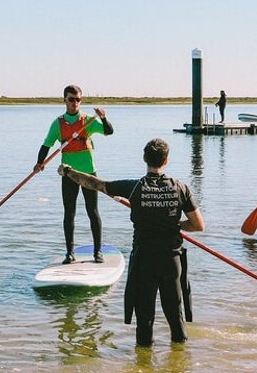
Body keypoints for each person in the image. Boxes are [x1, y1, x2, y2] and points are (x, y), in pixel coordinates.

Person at [57, 138, 204, 346]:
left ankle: (143, 362)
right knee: (175, 315)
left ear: (144, 158)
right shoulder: (181, 188)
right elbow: (198, 225)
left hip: (144, 259)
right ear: (166, 161)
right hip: (172, 259)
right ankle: (180, 361)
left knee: (144, 318)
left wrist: (69, 172)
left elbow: (95, 184)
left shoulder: (134, 188)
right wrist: (175, 225)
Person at [33, 85, 114, 264]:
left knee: (92, 212)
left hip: (88, 173)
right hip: (68, 173)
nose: (75, 103)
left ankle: (97, 252)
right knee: (69, 213)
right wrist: (39, 163)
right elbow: (46, 145)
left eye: (78, 99)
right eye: (71, 99)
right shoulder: (58, 123)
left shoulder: (87, 120)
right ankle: (69, 253)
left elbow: (109, 131)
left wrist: (103, 117)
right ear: (64, 100)